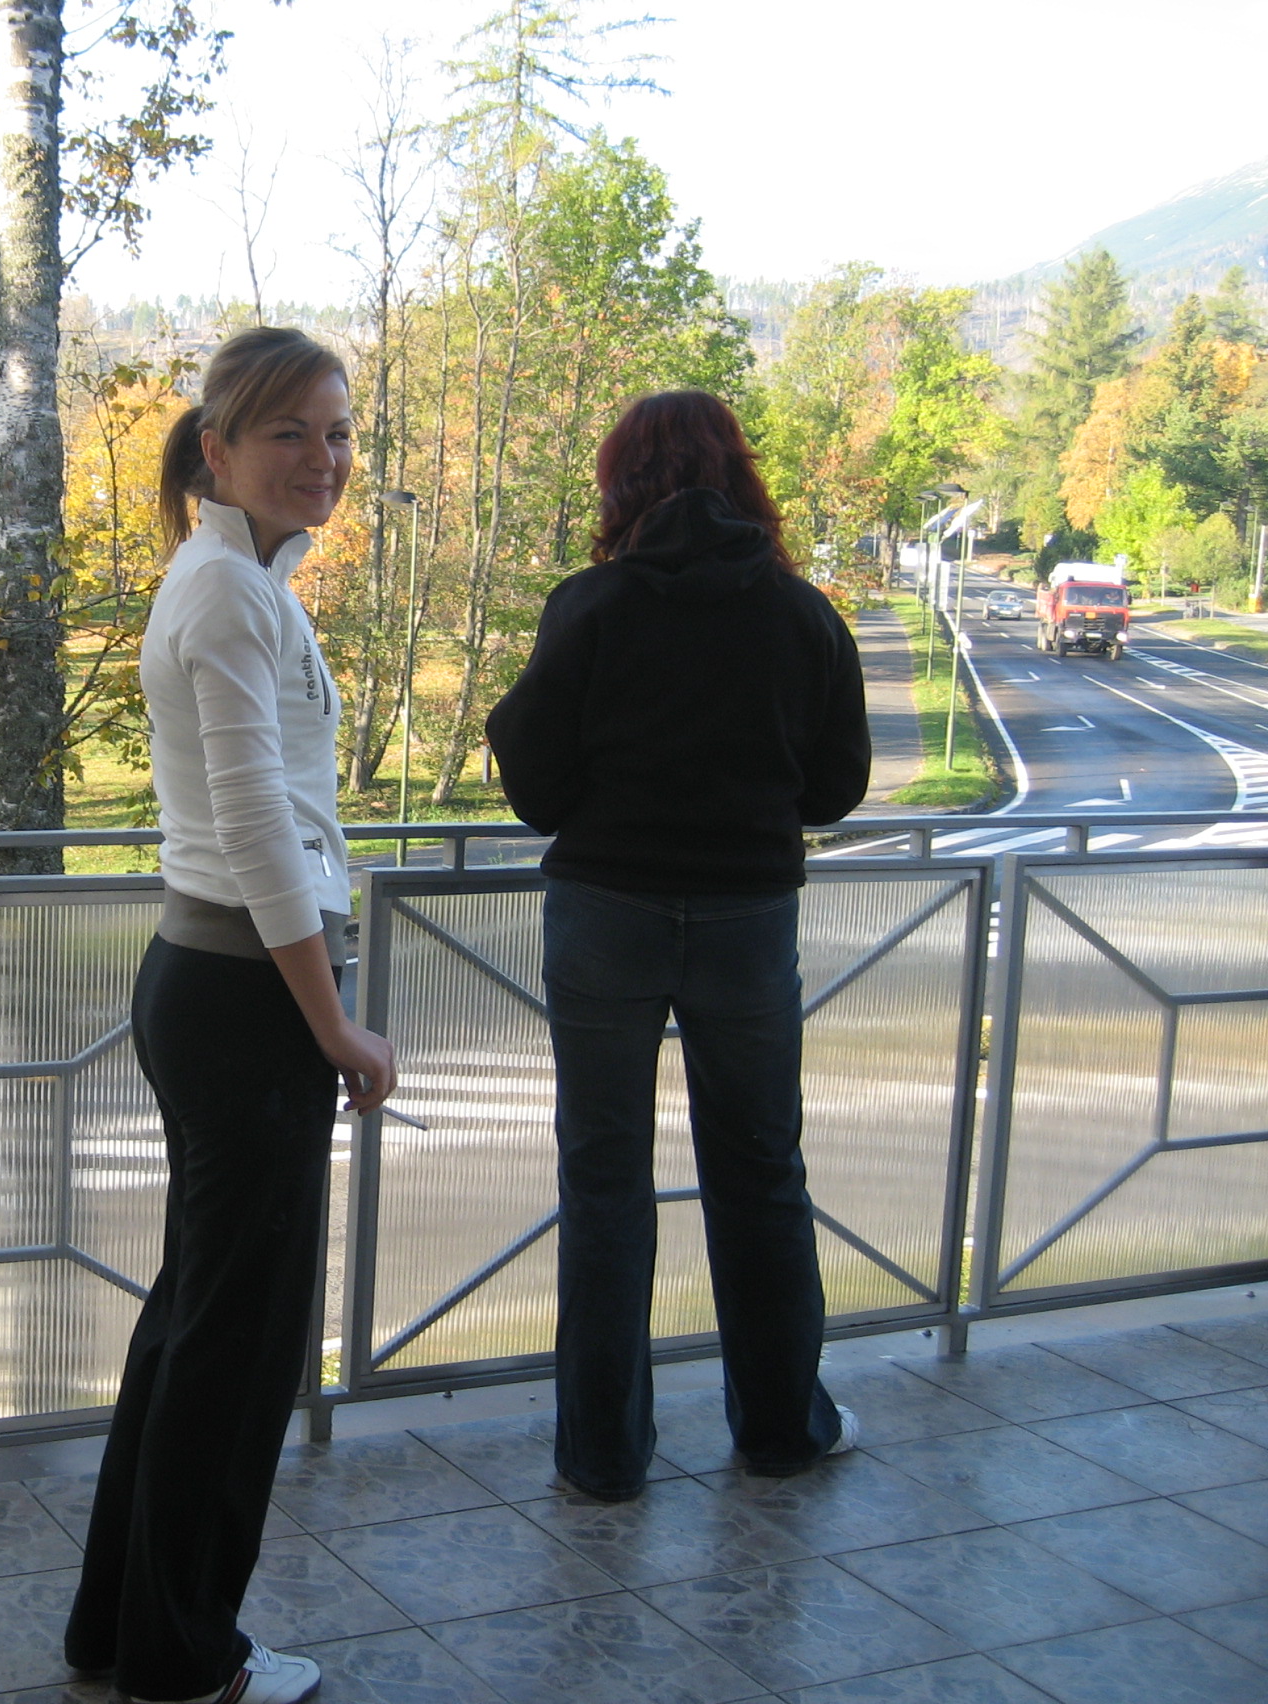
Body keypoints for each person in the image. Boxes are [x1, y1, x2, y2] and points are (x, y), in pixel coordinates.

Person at [63, 327, 396, 1704]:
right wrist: (334, 1027)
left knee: (197, 1320)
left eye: (338, 432)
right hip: (245, 996)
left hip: (224, 986)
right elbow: (260, 833)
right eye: (290, 434)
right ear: (218, 449)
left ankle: (120, 1628)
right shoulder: (224, 594)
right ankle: (183, 1656)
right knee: (239, 1344)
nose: (324, 458)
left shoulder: (242, 581)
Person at [484, 389, 871, 1502]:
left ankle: (602, 1457)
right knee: (760, 1170)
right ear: (739, 477)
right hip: (749, 919)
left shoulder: (591, 606)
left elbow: (535, 785)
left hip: (605, 912)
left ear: (623, 485)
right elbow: (837, 786)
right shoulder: (801, 615)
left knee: (604, 1178)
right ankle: (783, 1431)